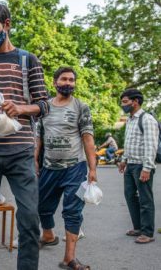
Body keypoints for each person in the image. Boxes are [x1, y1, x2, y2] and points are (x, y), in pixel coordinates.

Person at [0, 1, 49, 270]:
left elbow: (44, 104)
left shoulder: (27, 60)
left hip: (20, 152)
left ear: (7, 24)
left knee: (28, 218)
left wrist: (21, 108)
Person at [35, 67, 97, 270]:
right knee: (42, 206)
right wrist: (34, 159)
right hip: (48, 168)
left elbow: (88, 139)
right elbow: (38, 137)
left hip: (75, 168)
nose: (68, 83)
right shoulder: (43, 108)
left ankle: (69, 258)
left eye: (72, 80)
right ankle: (48, 235)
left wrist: (92, 169)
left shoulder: (81, 107)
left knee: (72, 212)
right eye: (64, 79)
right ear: (54, 82)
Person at [118, 88, 159, 244]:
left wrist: (147, 168)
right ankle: (138, 227)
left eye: (125, 101)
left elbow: (151, 145)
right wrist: (124, 159)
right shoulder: (130, 119)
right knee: (130, 196)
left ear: (135, 101)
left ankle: (147, 232)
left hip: (142, 165)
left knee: (145, 199)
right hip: (131, 165)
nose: (123, 105)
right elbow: (129, 142)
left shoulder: (147, 119)